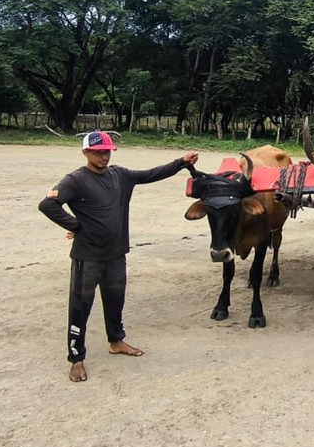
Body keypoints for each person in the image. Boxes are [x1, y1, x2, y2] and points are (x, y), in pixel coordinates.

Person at [39, 130, 198, 382]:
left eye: (106, 152)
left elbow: (150, 174)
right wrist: (76, 226)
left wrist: (181, 163)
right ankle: (76, 357)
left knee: (115, 300)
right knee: (80, 306)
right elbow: (47, 205)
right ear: (85, 153)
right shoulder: (75, 180)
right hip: (87, 257)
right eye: (97, 152)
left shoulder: (119, 175)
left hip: (115, 253)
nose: (103, 157)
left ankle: (116, 341)